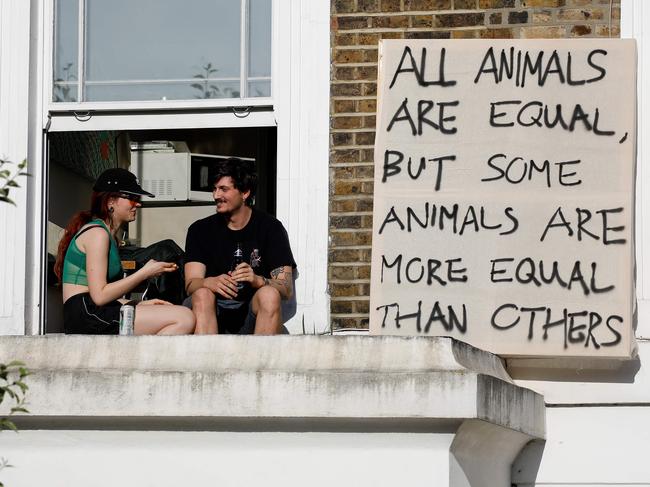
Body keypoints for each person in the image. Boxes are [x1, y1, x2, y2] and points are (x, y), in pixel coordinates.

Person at [54, 168, 195, 335]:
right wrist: (144, 273)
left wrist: (136, 303)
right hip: (85, 315)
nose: (138, 204)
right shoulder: (97, 234)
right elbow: (99, 296)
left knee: (181, 314)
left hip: (94, 310)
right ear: (111, 201)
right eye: (132, 198)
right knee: (184, 318)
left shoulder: (107, 235)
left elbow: (101, 296)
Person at [184, 158, 296, 335]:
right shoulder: (200, 230)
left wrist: (258, 280)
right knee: (202, 294)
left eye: (224, 189)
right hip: (210, 310)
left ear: (245, 193)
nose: (216, 195)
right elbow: (190, 284)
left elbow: (286, 289)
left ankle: (258, 361)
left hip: (251, 313)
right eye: (214, 189)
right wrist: (209, 282)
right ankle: (207, 360)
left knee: (270, 294)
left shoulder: (270, 228)